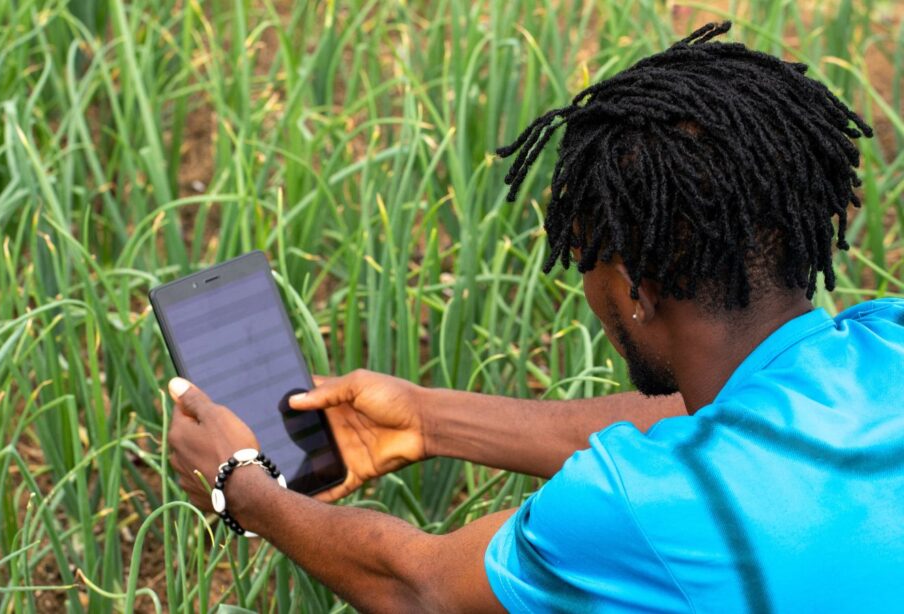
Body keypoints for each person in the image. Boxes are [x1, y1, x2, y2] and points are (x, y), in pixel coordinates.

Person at [166, 22, 904, 613]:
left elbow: (418, 587)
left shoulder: (642, 506)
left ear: (639, 289)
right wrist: (427, 419)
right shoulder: (888, 336)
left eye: (585, 261)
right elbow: (715, 427)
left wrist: (246, 487)